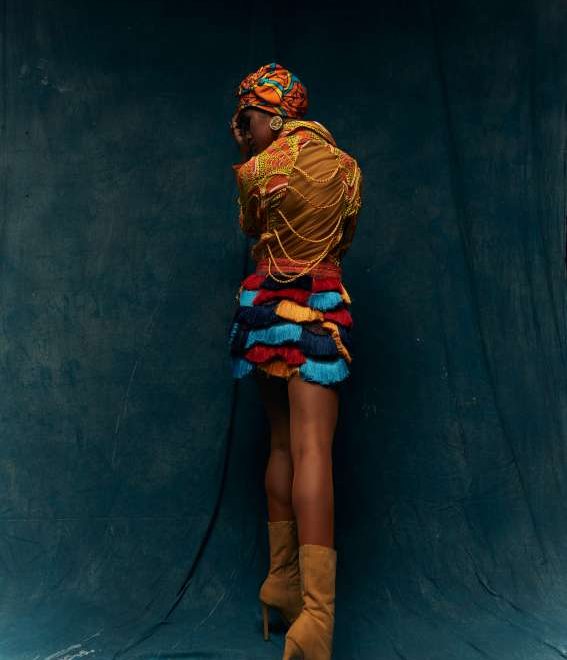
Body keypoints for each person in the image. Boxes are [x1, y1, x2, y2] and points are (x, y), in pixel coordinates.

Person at [227, 62, 363, 660]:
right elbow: (345, 238)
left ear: (270, 115)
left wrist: (252, 158)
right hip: (317, 305)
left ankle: (287, 592)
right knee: (314, 450)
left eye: (247, 120)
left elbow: (251, 225)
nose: (243, 132)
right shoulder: (347, 168)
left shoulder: (256, 169)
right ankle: (313, 617)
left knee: (283, 446)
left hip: (265, 314)